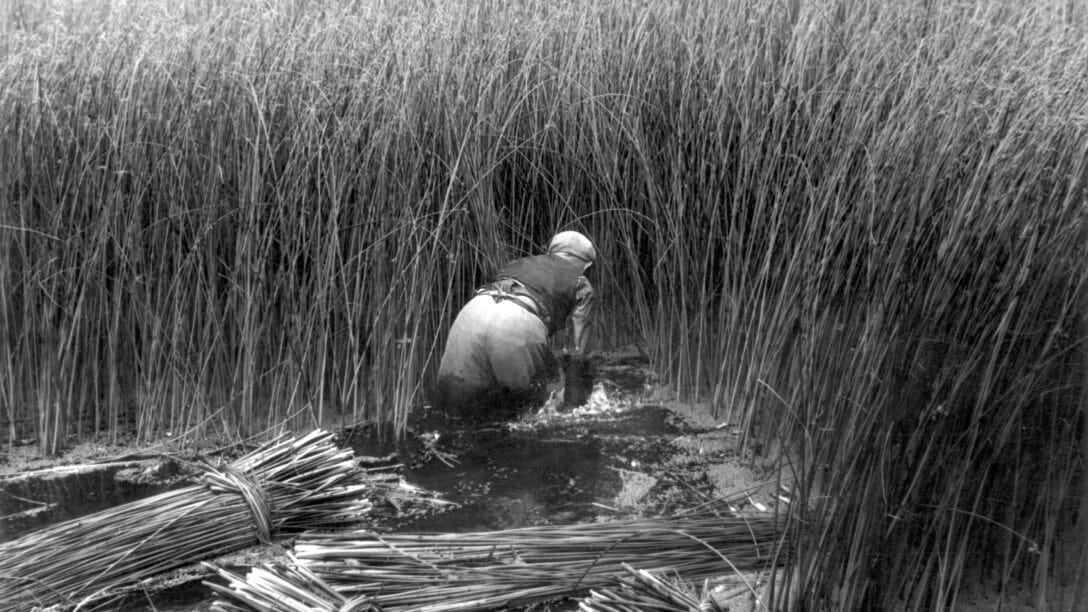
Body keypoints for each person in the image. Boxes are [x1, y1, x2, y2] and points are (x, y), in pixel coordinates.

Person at [434, 230, 596, 421]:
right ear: (586, 265)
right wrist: (576, 406)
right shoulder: (581, 283)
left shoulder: (518, 264)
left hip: (472, 312)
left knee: (453, 413)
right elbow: (578, 351)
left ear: (551, 252)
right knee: (532, 416)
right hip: (518, 322)